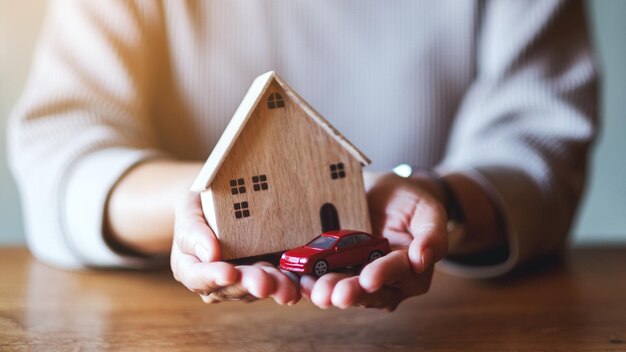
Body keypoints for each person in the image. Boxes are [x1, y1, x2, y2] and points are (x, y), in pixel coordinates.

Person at [8, 0, 598, 310]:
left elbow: (540, 141)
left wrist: (441, 199)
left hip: (449, 313)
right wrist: (201, 206)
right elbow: (62, 153)